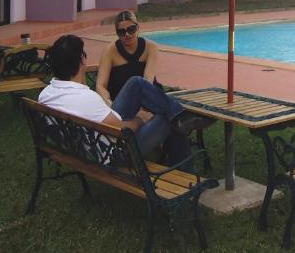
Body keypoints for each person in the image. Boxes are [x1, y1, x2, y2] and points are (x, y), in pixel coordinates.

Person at [39, 34, 190, 164]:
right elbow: (122, 130)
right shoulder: (86, 98)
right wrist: (140, 119)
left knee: (136, 83)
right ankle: (184, 167)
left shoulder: (45, 94)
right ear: (82, 60)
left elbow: (108, 123)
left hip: (86, 145)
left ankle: (179, 114)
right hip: (116, 153)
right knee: (167, 117)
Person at [96, 10, 157, 106]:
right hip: (121, 103)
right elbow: (100, 85)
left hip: (146, 99)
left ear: (138, 28)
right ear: (117, 33)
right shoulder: (109, 52)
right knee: (136, 81)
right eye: (121, 32)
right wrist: (108, 102)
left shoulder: (150, 47)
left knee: (161, 115)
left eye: (131, 29)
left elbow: (147, 82)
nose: (127, 34)